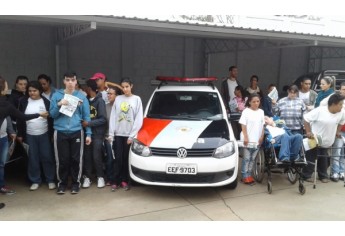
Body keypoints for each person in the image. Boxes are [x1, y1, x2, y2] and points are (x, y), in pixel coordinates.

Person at [0, 76, 48, 195]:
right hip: (5, 137)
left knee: (1, 164)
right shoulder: (7, 104)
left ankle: (1, 186)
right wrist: (39, 115)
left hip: (3, 136)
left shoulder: (6, 103)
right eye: (6, 85)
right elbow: (23, 117)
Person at [49, 71, 92, 194]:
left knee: (76, 159)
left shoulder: (82, 96)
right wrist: (59, 104)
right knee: (62, 160)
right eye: (67, 80)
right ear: (64, 81)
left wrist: (88, 134)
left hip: (77, 131)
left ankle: (75, 183)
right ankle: (61, 184)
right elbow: (52, 114)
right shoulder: (57, 95)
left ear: (76, 81)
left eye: (72, 80)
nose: (70, 83)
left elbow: (86, 117)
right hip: (60, 131)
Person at [17, 81, 56, 191]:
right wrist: (20, 134)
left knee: (47, 157)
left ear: (40, 91)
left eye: (34, 91)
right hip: (29, 134)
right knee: (32, 158)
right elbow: (20, 118)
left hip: (44, 134)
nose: (32, 93)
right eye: (30, 91)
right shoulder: (23, 101)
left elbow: (51, 120)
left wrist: (52, 134)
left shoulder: (46, 102)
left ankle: (50, 180)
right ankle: (35, 180)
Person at [108, 77, 143, 191]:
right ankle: (115, 181)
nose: (125, 89)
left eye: (127, 87)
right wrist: (111, 134)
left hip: (129, 136)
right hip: (118, 134)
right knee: (117, 158)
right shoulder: (118, 99)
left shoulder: (137, 99)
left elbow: (138, 119)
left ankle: (124, 180)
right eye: (123, 87)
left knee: (125, 158)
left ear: (131, 86)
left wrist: (132, 135)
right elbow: (113, 116)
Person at [302, 93, 345, 183]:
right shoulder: (320, 111)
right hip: (315, 139)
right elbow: (306, 119)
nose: (342, 106)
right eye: (340, 104)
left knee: (324, 158)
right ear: (333, 104)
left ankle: (323, 175)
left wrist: (337, 132)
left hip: (328, 140)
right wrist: (308, 132)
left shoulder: (341, 112)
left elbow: (341, 122)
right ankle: (306, 175)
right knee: (311, 158)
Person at [81, 79, 107, 189]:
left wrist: (89, 123)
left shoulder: (100, 101)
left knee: (96, 156)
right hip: (88, 133)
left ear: (89, 89)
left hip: (97, 134)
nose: (83, 89)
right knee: (87, 156)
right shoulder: (85, 100)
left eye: (85, 87)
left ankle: (100, 177)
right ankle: (87, 177)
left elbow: (103, 119)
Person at [238, 93, 265, 185]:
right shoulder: (246, 111)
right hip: (247, 140)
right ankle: (244, 176)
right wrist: (246, 137)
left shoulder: (261, 112)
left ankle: (249, 175)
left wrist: (262, 136)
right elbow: (243, 125)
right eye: (253, 101)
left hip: (257, 140)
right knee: (246, 158)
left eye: (257, 101)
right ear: (249, 102)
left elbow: (262, 125)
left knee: (252, 159)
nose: (256, 103)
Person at [104, 87, 122, 185]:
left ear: (117, 96)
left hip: (120, 136)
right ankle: (110, 178)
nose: (109, 95)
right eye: (108, 94)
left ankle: (119, 178)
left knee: (118, 159)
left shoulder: (121, 106)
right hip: (108, 136)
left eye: (111, 94)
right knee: (110, 159)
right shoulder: (105, 106)